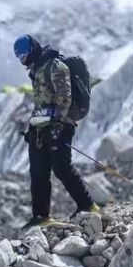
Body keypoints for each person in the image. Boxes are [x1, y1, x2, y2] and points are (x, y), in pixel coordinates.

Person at [13, 35, 100, 228]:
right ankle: (41, 216)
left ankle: (88, 206)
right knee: (38, 172)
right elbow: (41, 103)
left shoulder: (55, 66)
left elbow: (64, 96)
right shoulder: (36, 70)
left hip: (60, 124)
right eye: (19, 57)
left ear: (33, 50)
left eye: (24, 55)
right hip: (41, 128)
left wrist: (58, 125)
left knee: (61, 167)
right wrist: (32, 130)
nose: (23, 60)